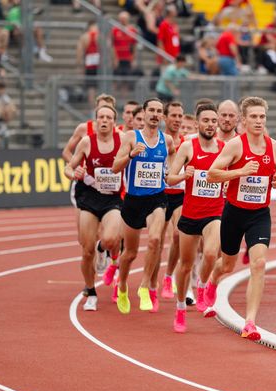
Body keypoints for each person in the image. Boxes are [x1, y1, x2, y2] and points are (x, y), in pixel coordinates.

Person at [204, 96, 276, 341]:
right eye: (254, 117)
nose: (259, 121)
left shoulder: (275, 147)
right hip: (234, 212)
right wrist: (239, 171)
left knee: (258, 264)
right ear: (244, 120)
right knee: (227, 265)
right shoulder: (235, 146)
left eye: (262, 117)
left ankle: (250, 322)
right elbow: (211, 174)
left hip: (260, 214)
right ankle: (211, 283)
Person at [111, 98, 175, 314]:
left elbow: (172, 157)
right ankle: (122, 286)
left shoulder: (166, 140)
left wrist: (169, 172)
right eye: (152, 111)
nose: (155, 114)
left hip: (157, 198)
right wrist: (131, 155)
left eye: (159, 111)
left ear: (162, 116)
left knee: (156, 240)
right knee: (129, 253)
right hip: (133, 201)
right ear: (144, 113)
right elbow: (114, 167)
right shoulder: (131, 137)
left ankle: (145, 286)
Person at [166, 103, 225, 333]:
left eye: (213, 121)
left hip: (215, 212)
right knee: (185, 265)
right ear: (198, 123)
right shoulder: (187, 147)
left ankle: (201, 286)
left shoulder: (224, 148)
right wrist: (183, 175)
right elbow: (169, 179)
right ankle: (180, 307)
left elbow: (231, 173)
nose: (210, 125)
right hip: (190, 213)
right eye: (206, 121)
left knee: (211, 253)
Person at [64, 105, 124, 311]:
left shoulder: (122, 140)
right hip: (89, 199)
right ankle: (90, 291)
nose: (104, 120)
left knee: (110, 239)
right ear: (96, 120)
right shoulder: (87, 142)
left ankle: (103, 250)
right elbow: (68, 167)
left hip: (113, 198)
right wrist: (75, 174)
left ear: (114, 122)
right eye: (101, 117)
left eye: (108, 117)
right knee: (86, 250)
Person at [158, 101, 185, 300]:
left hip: (180, 196)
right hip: (160, 195)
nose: (177, 119)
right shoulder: (157, 141)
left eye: (180, 116)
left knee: (177, 235)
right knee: (156, 241)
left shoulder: (186, 143)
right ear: (165, 118)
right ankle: (150, 283)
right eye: (173, 115)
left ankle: (168, 278)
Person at [77, 19, 100, 106]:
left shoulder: (84, 37)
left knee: (91, 88)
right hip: (99, 65)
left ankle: (93, 109)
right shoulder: (100, 36)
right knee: (94, 88)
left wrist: (79, 65)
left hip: (90, 66)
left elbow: (79, 52)